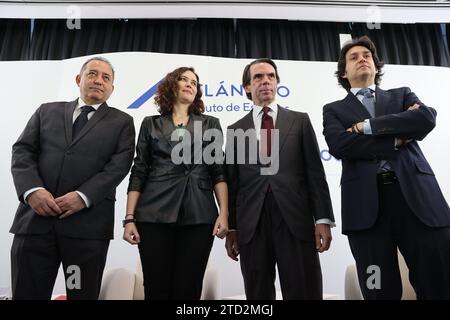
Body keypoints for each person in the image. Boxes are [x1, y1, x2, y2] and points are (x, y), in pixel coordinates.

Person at [323, 36, 450, 299]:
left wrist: (366, 127)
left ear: (376, 66)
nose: (362, 59)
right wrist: (396, 138)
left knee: (438, 283)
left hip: (419, 202)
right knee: (377, 287)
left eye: (367, 55)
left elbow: (425, 118)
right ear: (344, 73)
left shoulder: (402, 94)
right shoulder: (333, 110)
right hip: (366, 211)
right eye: (354, 57)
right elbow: (339, 145)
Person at [10, 57, 136, 300]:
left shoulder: (122, 122)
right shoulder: (46, 110)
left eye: (106, 78)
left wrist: (83, 197)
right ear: (79, 79)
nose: (99, 81)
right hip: (35, 223)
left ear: (112, 88)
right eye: (92, 74)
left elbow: (118, 167)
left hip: (87, 229)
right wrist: (32, 191)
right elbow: (23, 151)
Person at [225, 58, 334, 300]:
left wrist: (323, 218)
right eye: (258, 77)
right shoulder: (234, 129)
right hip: (251, 224)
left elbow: (315, 174)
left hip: (295, 219)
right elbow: (233, 183)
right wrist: (232, 227)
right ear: (247, 87)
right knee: (257, 293)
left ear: (277, 83)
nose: (265, 81)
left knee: (304, 289)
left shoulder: (300, 121)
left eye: (271, 76)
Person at [123, 66, 228, 300]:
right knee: (156, 287)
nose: (190, 84)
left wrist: (225, 213)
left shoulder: (210, 123)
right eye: (184, 79)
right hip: (153, 213)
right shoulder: (150, 123)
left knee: (188, 289)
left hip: (200, 214)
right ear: (172, 85)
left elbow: (218, 171)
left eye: (194, 82)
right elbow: (139, 170)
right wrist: (129, 218)